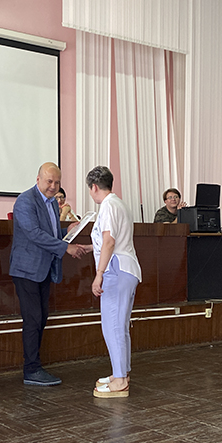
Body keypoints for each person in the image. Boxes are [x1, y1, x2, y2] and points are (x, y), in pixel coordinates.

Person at [9, 162, 84, 386]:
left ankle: (34, 367)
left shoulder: (52, 203)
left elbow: (49, 233)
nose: (53, 186)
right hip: (26, 270)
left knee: (40, 318)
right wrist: (65, 247)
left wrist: (67, 231)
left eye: (57, 182)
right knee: (33, 319)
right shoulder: (25, 200)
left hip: (42, 270)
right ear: (38, 179)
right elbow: (34, 234)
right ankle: (31, 369)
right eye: (49, 181)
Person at [77, 166, 142, 398]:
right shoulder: (119, 203)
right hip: (127, 268)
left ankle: (120, 381)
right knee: (119, 326)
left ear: (94, 187)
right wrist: (89, 248)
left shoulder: (107, 206)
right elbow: (110, 241)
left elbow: (109, 241)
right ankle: (120, 373)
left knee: (112, 326)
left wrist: (99, 274)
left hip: (116, 269)